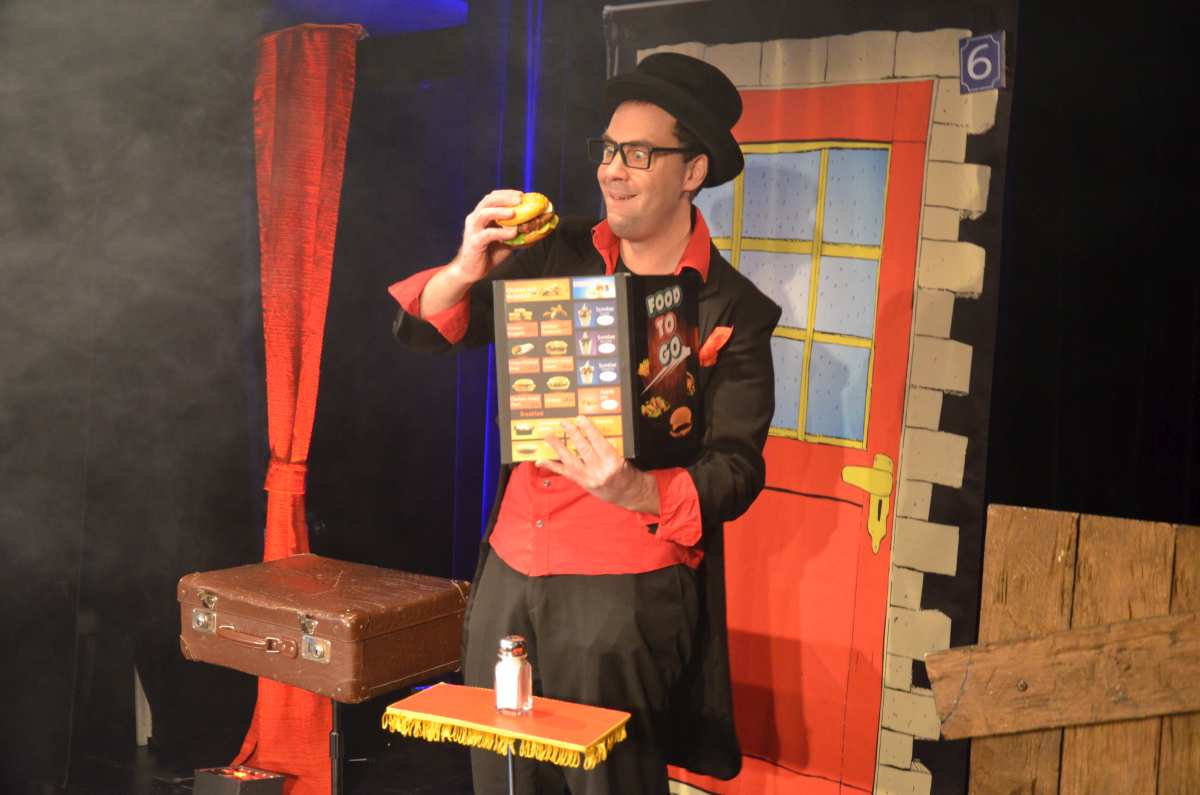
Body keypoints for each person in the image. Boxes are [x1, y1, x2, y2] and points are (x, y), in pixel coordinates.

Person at [388, 53, 781, 795]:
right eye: (607, 150)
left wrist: (638, 490)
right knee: (502, 779)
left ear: (693, 171)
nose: (612, 171)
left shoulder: (729, 306)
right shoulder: (553, 253)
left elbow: (736, 467)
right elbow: (434, 327)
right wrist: (466, 266)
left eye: (638, 154)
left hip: (623, 592)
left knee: (608, 784)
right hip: (510, 569)